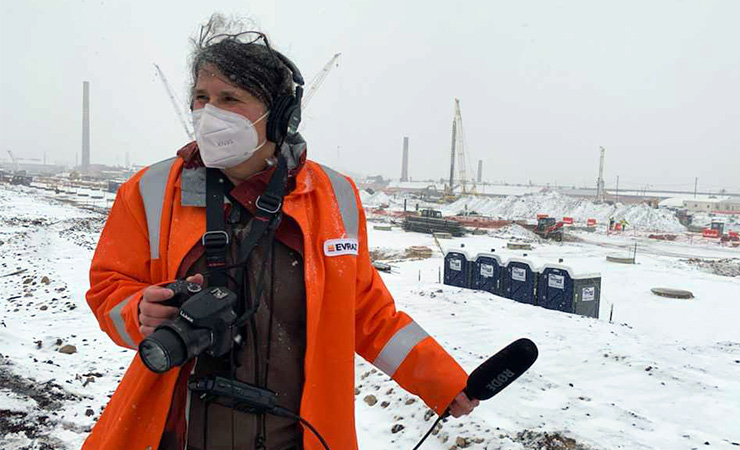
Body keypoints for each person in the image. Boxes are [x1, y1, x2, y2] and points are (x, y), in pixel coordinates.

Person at [84, 16, 477, 450]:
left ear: (279, 116)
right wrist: (137, 311)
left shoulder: (336, 197)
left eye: (230, 98)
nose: (208, 113)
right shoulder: (150, 190)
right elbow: (108, 289)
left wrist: (440, 380)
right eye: (201, 97)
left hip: (295, 438)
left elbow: (365, 313)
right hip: (173, 436)